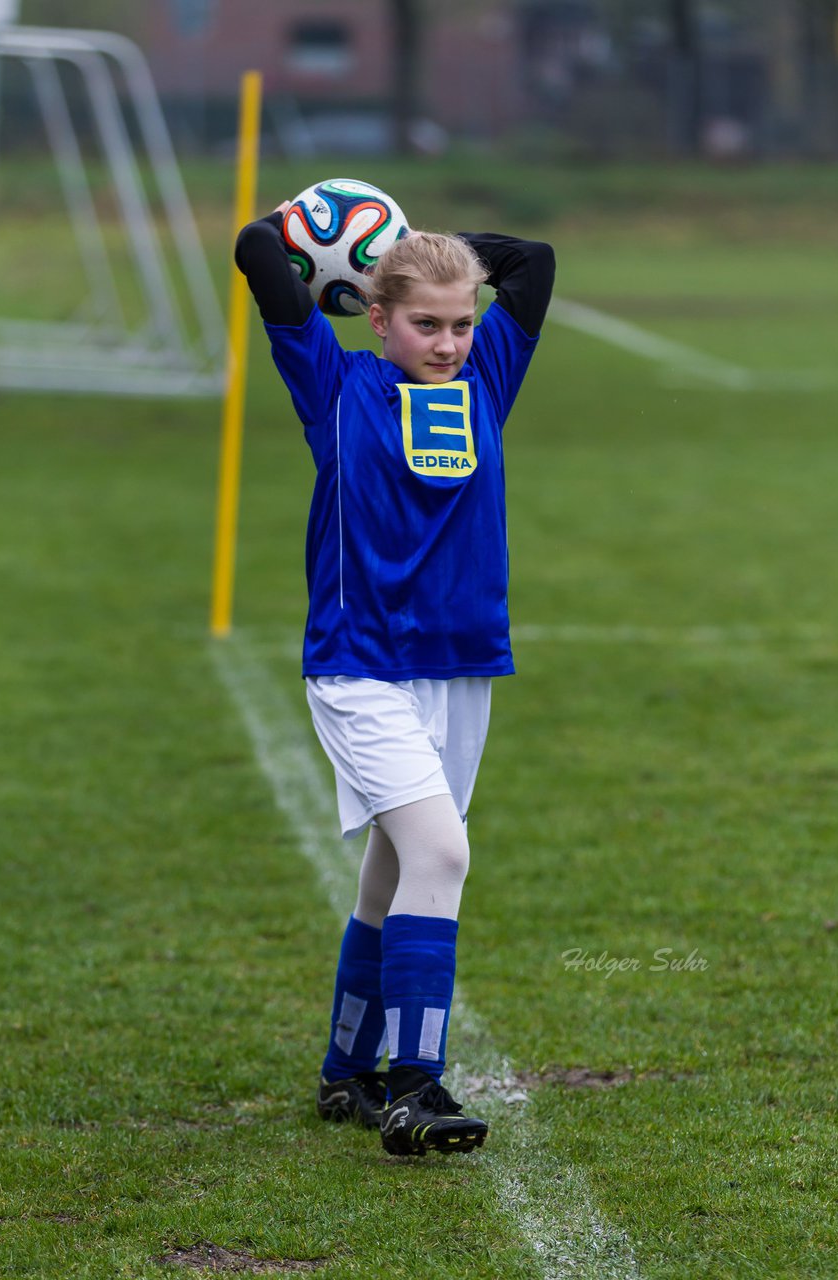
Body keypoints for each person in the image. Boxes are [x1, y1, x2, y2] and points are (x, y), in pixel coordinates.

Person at [235, 198, 555, 1156]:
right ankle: (416, 1085)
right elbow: (257, 250)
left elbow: (531, 262)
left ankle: (346, 1075)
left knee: (392, 873)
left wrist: (431, 249)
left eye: (462, 322)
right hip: (361, 667)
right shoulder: (334, 385)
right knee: (443, 857)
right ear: (375, 317)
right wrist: (358, 249)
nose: (451, 342)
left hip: (461, 671)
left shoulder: (488, 378)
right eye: (426, 322)